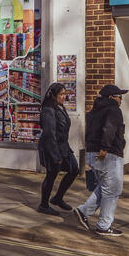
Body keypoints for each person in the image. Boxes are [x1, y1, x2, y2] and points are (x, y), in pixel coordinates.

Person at [74, 85, 127, 237]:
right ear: (111, 98)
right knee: (113, 190)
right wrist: (104, 149)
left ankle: (83, 211)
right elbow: (109, 129)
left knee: (105, 187)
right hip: (108, 155)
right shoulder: (113, 110)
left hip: (93, 153)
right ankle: (104, 226)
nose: (121, 100)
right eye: (119, 97)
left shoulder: (94, 111)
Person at [36, 82, 79, 215]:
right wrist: (55, 156)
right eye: (61, 94)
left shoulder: (59, 107)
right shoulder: (48, 110)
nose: (63, 97)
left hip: (63, 146)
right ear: (53, 95)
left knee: (74, 170)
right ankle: (43, 205)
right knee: (51, 175)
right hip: (51, 147)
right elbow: (49, 134)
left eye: (64, 94)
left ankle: (57, 198)